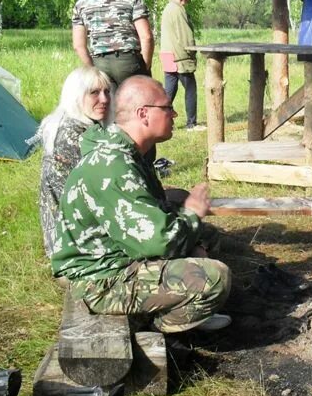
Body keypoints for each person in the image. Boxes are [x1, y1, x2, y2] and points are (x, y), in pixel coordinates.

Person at [51, 76, 231, 333]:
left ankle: (182, 304)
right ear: (144, 114)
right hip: (101, 281)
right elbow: (160, 242)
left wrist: (189, 226)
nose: (175, 114)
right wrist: (191, 213)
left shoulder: (128, 153)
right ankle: (158, 327)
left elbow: (148, 213)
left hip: (120, 257)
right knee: (214, 278)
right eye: (168, 108)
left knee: (207, 235)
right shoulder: (114, 166)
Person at [37, 67, 114, 258]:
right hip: (76, 247)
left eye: (106, 92)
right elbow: (107, 192)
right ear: (76, 96)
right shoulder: (74, 136)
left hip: (67, 235)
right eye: (94, 93)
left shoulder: (67, 123)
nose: (104, 99)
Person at [71, 0, 154, 87]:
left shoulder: (82, 2)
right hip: (129, 62)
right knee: (136, 103)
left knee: (110, 105)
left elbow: (78, 45)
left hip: (100, 64)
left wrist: (93, 70)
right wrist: (145, 67)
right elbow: (146, 37)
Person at [160, 0, 203, 131]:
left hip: (167, 54)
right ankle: (191, 124)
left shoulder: (168, 8)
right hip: (180, 57)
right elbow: (185, 36)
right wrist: (192, 51)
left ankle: (160, 122)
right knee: (190, 89)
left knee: (169, 91)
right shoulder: (177, 10)